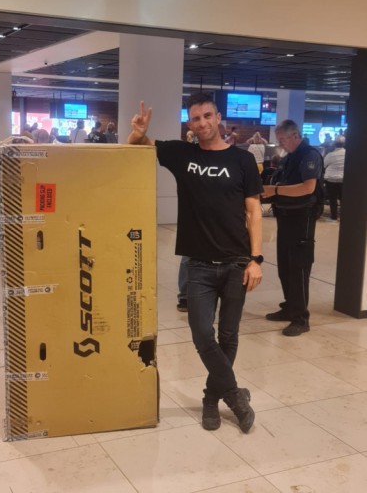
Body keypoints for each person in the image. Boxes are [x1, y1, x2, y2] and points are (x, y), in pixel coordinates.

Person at [128, 92, 263, 433]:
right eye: (195, 118)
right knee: (203, 333)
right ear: (190, 124)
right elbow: (136, 147)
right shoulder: (181, 153)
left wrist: (256, 259)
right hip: (199, 266)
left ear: (218, 118)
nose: (202, 123)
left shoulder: (242, 160)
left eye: (207, 116)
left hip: (236, 262)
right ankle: (233, 395)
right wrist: (137, 131)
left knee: (229, 336)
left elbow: (253, 211)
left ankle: (209, 398)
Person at [261, 119, 323, 337]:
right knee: (285, 267)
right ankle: (290, 307)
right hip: (285, 218)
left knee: (299, 268)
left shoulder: (309, 156)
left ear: (295, 136)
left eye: (283, 140)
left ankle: (301, 318)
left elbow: (307, 188)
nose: (281, 145)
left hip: (302, 219)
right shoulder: (289, 158)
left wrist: (275, 191)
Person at [324, 135, 346, 221]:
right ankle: (344, 216)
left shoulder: (330, 155)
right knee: (343, 198)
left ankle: (334, 216)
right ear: (344, 144)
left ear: (334, 144)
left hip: (331, 180)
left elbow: (324, 164)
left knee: (333, 199)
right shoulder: (348, 153)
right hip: (343, 179)